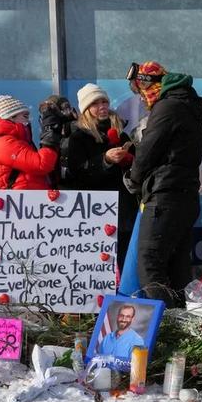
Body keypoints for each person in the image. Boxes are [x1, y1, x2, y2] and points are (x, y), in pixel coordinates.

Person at [124, 61, 202, 308]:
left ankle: (164, 327)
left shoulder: (167, 107)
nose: (141, 99)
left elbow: (149, 150)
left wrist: (133, 178)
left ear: (150, 85)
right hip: (186, 195)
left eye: (140, 91)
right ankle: (183, 324)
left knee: (149, 262)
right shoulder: (189, 106)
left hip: (164, 195)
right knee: (177, 266)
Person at [66, 83, 138, 271]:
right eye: (96, 103)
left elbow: (137, 165)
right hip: (96, 209)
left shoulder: (120, 133)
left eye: (104, 101)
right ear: (86, 109)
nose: (102, 107)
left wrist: (130, 159)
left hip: (125, 207)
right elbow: (78, 173)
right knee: (100, 263)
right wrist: (105, 160)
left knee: (126, 258)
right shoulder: (79, 137)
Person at [0, 95, 59, 190]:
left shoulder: (14, 140)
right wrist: (49, 138)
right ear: (11, 117)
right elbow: (41, 164)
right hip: (21, 200)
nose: (28, 121)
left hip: (27, 198)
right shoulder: (4, 144)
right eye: (25, 116)